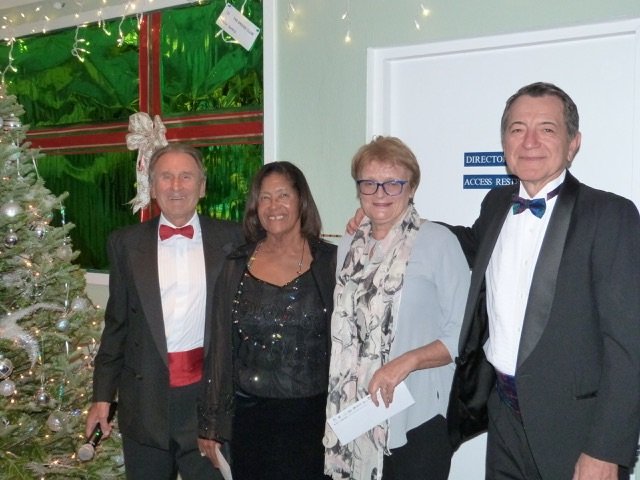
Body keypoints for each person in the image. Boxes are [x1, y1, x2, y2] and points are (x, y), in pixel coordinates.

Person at [446, 82, 640, 479]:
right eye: (517, 129)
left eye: (547, 129)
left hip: (577, 431)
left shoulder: (610, 215)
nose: (529, 141)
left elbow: (629, 346)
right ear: (505, 142)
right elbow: (464, 243)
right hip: (504, 419)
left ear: (573, 143)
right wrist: (391, 218)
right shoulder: (496, 203)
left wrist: (605, 449)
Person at [85, 143, 241, 479]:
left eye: (186, 176)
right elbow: (117, 325)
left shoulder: (234, 238)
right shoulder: (125, 243)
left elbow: (286, 234)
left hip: (207, 401)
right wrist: (102, 397)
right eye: (166, 177)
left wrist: (355, 225)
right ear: (152, 187)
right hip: (145, 399)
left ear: (202, 186)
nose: (176, 186)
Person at [324, 136, 470, 480]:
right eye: (369, 183)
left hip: (418, 415)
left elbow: (462, 335)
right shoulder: (348, 245)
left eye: (393, 183)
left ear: (412, 187)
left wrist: (405, 362)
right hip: (356, 412)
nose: (380, 193)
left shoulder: (438, 242)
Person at [197, 161, 337, 479]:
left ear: (301, 200)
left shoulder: (330, 262)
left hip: (315, 422)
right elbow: (220, 346)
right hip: (250, 421)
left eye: (283, 195)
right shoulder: (235, 264)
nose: (274, 206)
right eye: (265, 197)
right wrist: (210, 423)